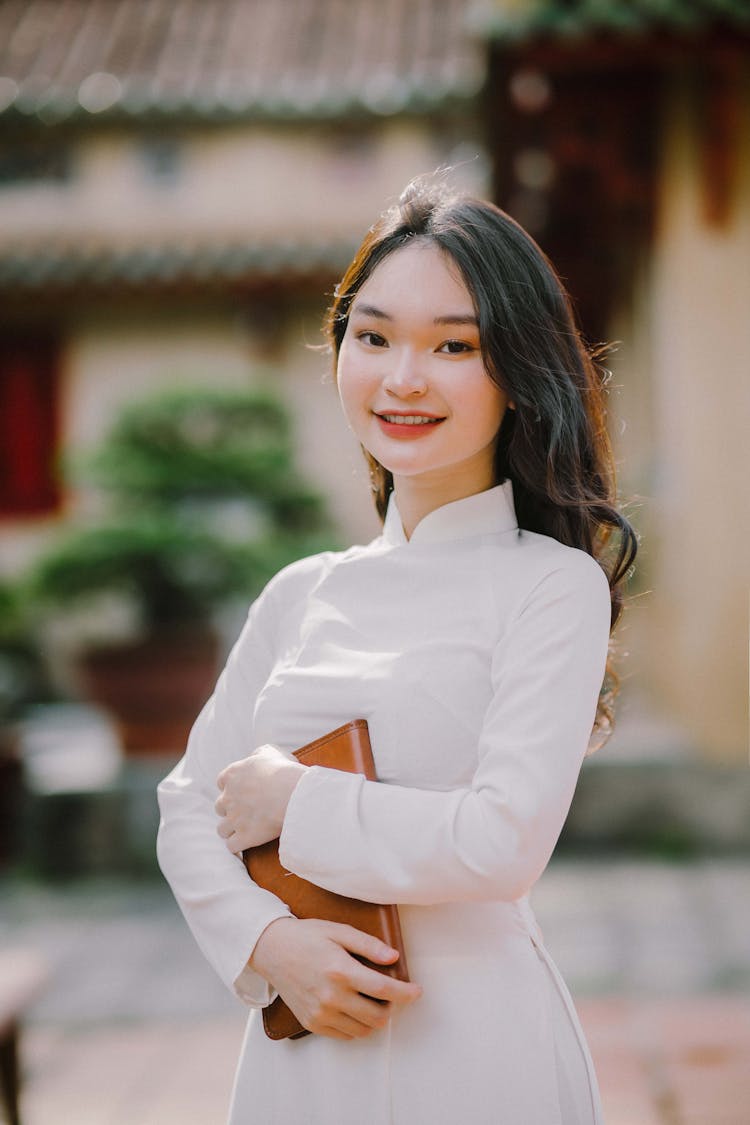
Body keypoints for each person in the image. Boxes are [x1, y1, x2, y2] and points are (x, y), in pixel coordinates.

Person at [157, 176, 637, 1124]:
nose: (403, 377)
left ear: (516, 371)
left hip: (476, 1054)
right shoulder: (300, 593)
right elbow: (185, 805)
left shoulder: (550, 585)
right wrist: (266, 947)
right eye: (373, 336)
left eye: (454, 345)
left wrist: (297, 802)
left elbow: (503, 843)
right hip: (302, 1049)